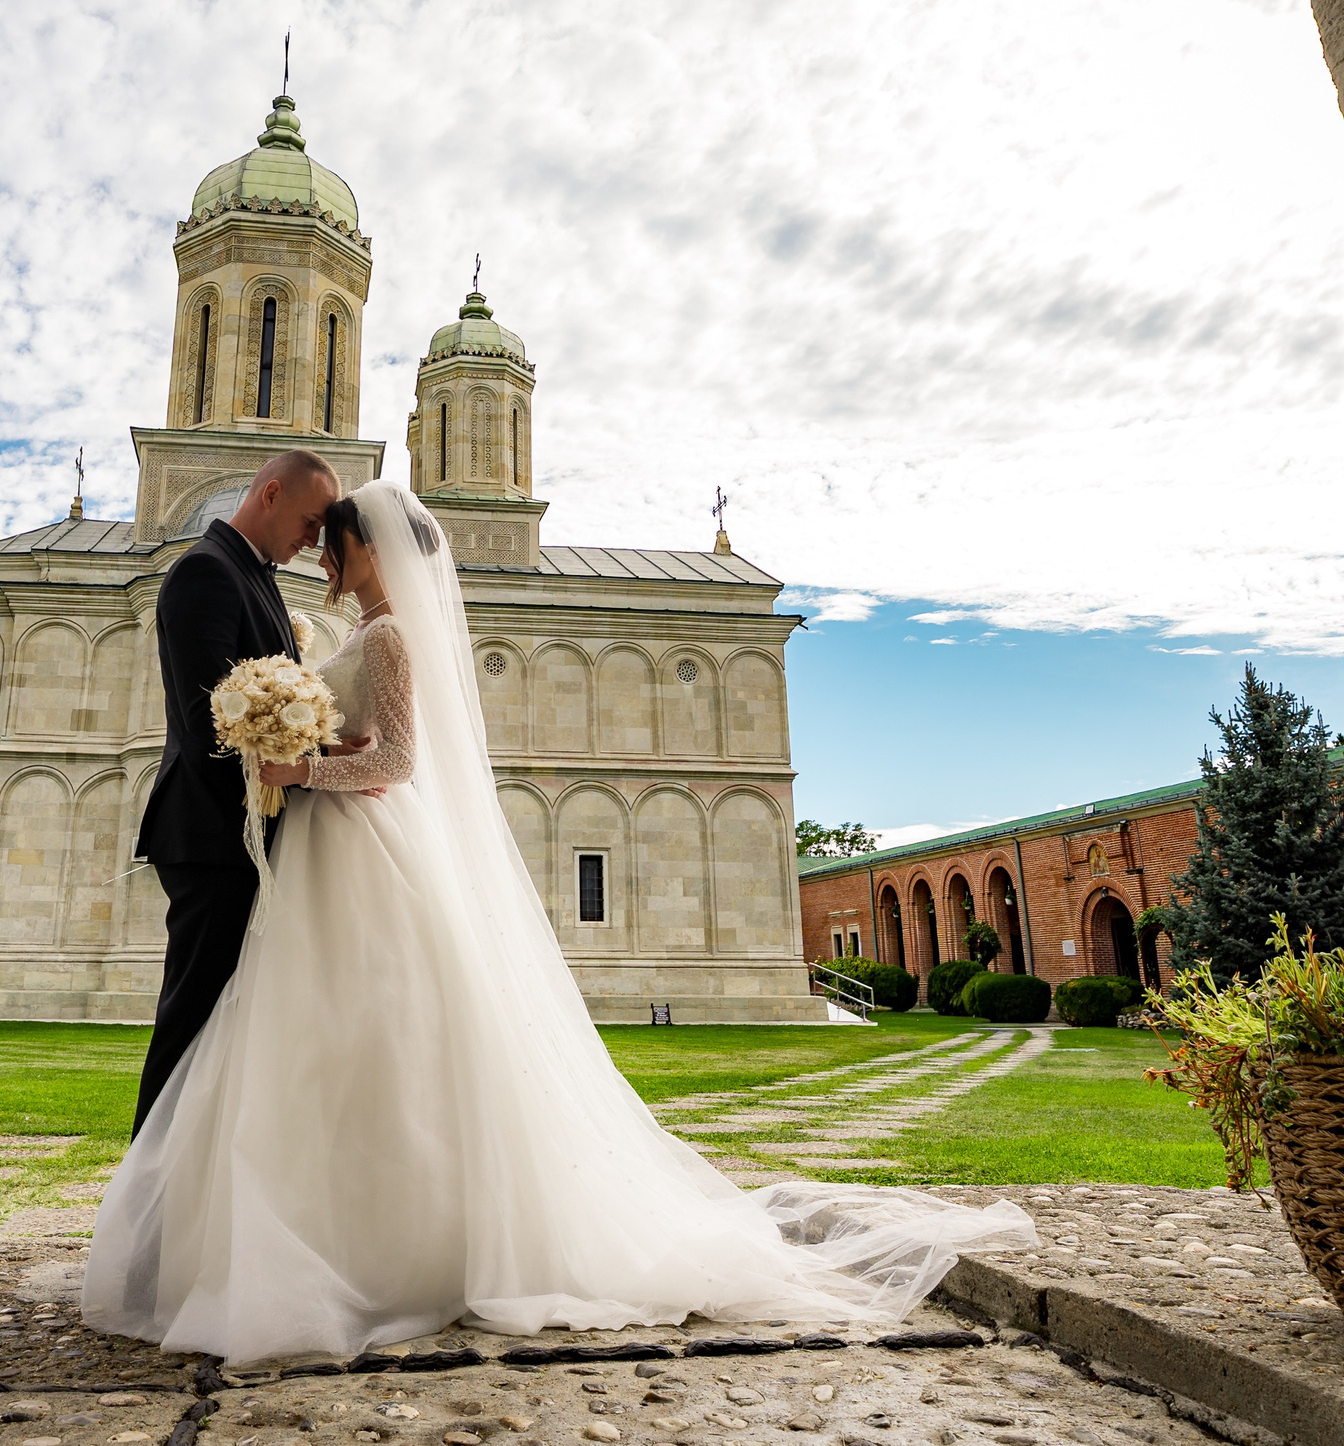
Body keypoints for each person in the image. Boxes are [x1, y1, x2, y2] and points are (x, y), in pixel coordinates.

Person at [85, 481, 1034, 1364]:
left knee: (373, 1037)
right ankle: (306, 1233)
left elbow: (400, 758)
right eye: (315, 539)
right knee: (323, 1038)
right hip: (332, 857)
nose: (319, 556)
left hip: (359, 844)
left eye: (333, 545)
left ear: (371, 547)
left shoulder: (390, 639)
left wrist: (300, 768)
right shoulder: (353, 624)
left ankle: (383, 1246)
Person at [129, 449, 340, 1133]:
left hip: (244, 838)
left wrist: (327, 756)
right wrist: (304, 773)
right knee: (191, 1022)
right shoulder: (206, 572)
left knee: (227, 1029)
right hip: (215, 839)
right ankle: (146, 1202)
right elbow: (207, 726)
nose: (314, 540)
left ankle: (196, 1194)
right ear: (270, 494)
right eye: (310, 523)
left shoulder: (256, 576)